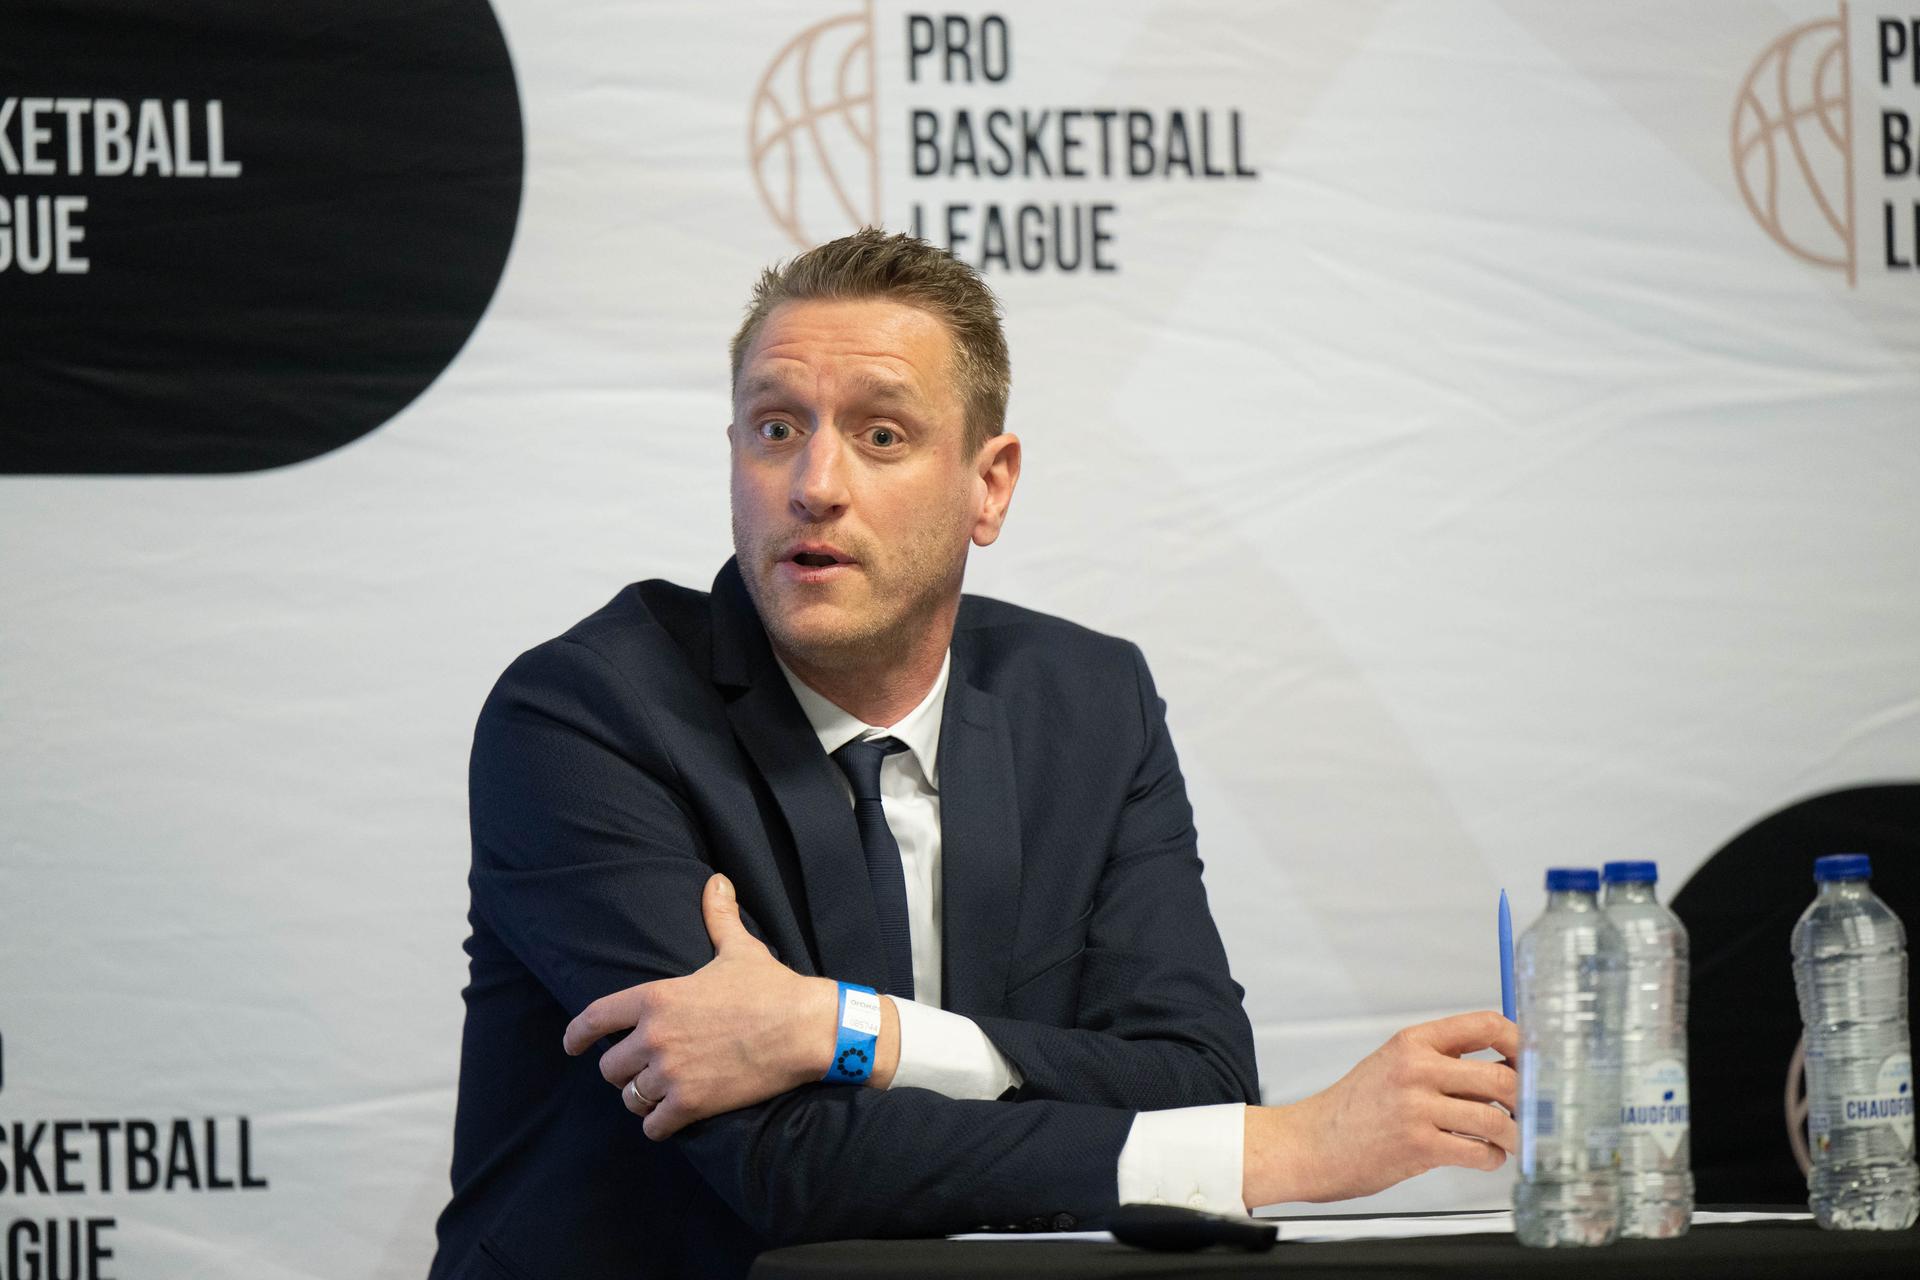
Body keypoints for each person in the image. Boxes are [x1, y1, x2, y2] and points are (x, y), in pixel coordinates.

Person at [428, 230, 1517, 1280]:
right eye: (774, 427)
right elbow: (788, 1163)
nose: (815, 481)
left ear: (988, 484)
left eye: (881, 434)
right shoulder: (583, 716)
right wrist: (1282, 1151)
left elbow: (1196, 1074)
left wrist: (848, 1029)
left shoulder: (1089, 705)